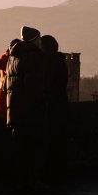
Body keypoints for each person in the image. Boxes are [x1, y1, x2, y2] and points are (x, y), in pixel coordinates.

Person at [4, 26, 48, 187]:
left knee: (19, 149)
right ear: (35, 40)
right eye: (39, 39)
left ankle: (19, 181)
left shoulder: (12, 57)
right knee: (33, 147)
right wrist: (41, 102)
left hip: (15, 110)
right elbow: (33, 85)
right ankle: (33, 180)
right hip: (30, 111)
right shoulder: (33, 57)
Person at [40, 34, 69, 178]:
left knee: (51, 140)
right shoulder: (60, 61)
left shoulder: (48, 62)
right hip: (60, 106)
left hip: (51, 106)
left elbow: (49, 85)